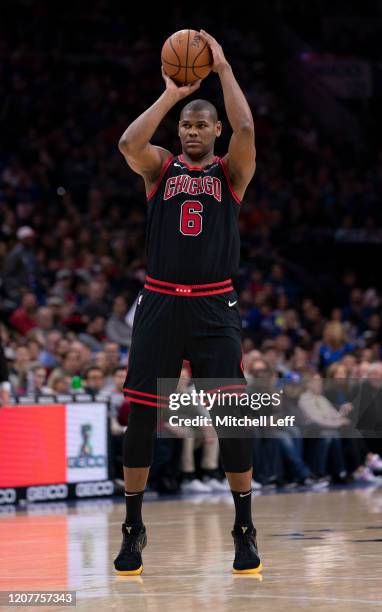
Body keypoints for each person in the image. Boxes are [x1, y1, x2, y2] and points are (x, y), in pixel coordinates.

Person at [113, 30, 261, 575]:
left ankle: (243, 528)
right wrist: (172, 95)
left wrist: (222, 70)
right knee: (142, 421)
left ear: (215, 131)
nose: (194, 131)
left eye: (202, 124)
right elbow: (129, 144)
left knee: (231, 419)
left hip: (213, 306)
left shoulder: (230, 172)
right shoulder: (160, 169)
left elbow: (246, 125)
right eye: (187, 125)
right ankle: (133, 528)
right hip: (158, 303)